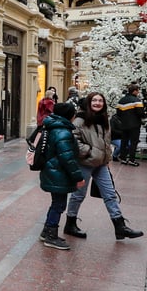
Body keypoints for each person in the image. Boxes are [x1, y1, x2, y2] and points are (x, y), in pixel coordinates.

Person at [63, 92, 144, 241]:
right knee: (78, 195)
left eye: (100, 101)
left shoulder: (103, 119)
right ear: (88, 103)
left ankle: (119, 226)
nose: (97, 103)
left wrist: (106, 156)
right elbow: (73, 140)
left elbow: (106, 140)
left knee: (110, 194)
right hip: (85, 163)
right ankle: (70, 223)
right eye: (94, 100)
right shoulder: (80, 120)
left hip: (101, 164)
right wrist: (89, 152)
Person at [38, 103, 86, 250]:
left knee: (56, 203)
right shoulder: (62, 132)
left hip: (52, 171)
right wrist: (78, 177)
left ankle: (46, 231)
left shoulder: (52, 127)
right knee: (58, 205)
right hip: (58, 173)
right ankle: (51, 236)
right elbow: (67, 158)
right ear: (70, 116)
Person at [114, 84, 146, 165]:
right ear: (134, 91)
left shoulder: (121, 100)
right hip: (135, 125)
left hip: (124, 125)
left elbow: (118, 114)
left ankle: (123, 158)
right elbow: (141, 113)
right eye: (137, 90)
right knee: (133, 142)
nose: (138, 92)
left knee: (124, 142)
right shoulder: (137, 101)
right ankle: (132, 160)